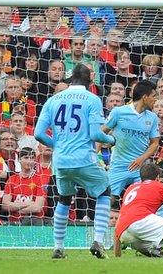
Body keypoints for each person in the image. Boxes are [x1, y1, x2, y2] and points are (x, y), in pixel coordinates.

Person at [34, 63, 116, 259]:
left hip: (61, 161)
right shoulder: (92, 99)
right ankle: (98, 240)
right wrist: (111, 140)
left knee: (64, 198)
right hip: (84, 159)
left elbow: (38, 134)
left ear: (70, 79)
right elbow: (96, 134)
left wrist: (56, 145)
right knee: (104, 191)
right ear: (90, 80)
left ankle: (58, 247)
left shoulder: (53, 100)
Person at [102, 80, 160, 205]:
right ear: (145, 97)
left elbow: (155, 143)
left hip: (140, 167)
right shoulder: (119, 112)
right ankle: (100, 223)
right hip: (118, 165)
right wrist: (96, 154)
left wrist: (142, 158)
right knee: (107, 197)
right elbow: (102, 132)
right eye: (154, 96)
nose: (156, 100)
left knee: (146, 199)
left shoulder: (152, 117)